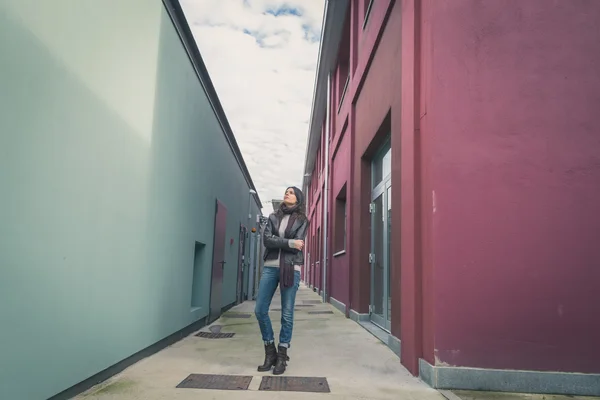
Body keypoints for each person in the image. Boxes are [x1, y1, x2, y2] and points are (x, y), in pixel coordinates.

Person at [255, 186, 309, 375]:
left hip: (291, 268)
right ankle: (270, 351)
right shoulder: (272, 217)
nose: (287, 193)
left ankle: (282, 354)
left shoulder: (303, 220)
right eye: (286, 191)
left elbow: (298, 245)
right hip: (270, 267)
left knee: (287, 314)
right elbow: (267, 240)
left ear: (298, 199)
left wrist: (288, 243)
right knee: (260, 309)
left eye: (291, 192)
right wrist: (288, 242)